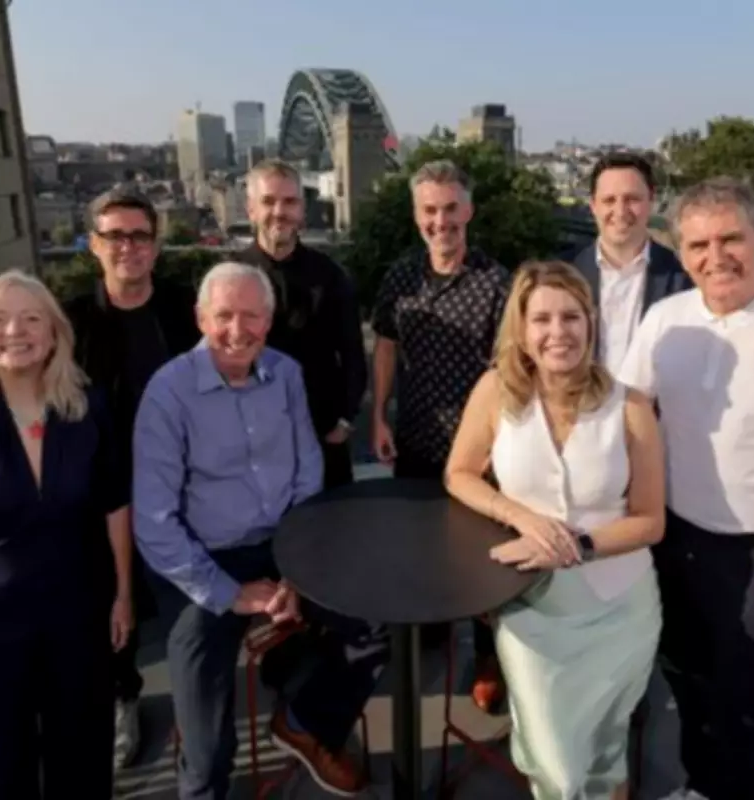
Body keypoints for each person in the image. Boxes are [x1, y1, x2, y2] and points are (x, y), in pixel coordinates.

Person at [132, 262, 388, 800]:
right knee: (206, 737)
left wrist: (297, 568)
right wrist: (232, 594)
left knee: (374, 621)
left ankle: (304, 723)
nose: (238, 329)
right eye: (224, 315)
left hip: (283, 542)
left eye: (252, 316)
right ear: (201, 318)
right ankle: (204, 783)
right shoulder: (168, 391)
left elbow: (307, 471)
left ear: (268, 322)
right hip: (206, 558)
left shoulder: (285, 373)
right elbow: (154, 523)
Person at [446, 260, 665, 800]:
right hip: (530, 608)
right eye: (541, 319)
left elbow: (650, 520)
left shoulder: (632, 406)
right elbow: (459, 473)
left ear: (591, 323)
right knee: (558, 769)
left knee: (607, 744)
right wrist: (520, 517)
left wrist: (577, 546)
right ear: (521, 330)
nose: (557, 332)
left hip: (620, 610)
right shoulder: (495, 391)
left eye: (571, 317)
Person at [618, 177, 754, 800]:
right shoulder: (666, 320)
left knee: (745, 704)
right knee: (687, 679)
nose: (715, 257)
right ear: (682, 252)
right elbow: (629, 413)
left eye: (730, 239)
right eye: (698, 245)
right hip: (674, 537)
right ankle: (698, 786)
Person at [66, 185, 200, 769]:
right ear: (94, 244)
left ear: (156, 245)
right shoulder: (71, 320)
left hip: (179, 486)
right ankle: (124, 698)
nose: (128, 246)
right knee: (108, 604)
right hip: (99, 492)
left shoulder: (182, 308)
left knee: (184, 604)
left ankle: (196, 707)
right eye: (114, 236)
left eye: (140, 235)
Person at [371, 158, 510, 712]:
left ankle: (488, 656)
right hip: (416, 438)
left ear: (469, 210)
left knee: (482, 556)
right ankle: (428, 626)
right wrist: (379, 414)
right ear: (416, 215)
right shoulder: (401, 275)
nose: (440, 221)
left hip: (479, 453)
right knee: (421, 545)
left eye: (451, 208)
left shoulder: (496, 283)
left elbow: (509, 370)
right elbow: (386, 343)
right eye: (430, 210)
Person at [0, 270, 132, 799]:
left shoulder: (86, 406)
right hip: (1, 618)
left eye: (31, 318)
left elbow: (114, 502)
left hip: (79, 607)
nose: (15, 331)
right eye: (0, 319)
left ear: (54, 332)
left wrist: (123, 594)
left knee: (82, 749)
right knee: (5, 759)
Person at [237, 159, 367, 488]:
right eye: (268, 201)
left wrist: (345, 420)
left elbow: (353, 353)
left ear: (302, 211)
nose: (279, 211)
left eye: (290, 202)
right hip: (251, 442)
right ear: (251, 210)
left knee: (330, 520)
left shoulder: (330, 276)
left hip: (322, 437)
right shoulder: (230, 278)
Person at [567, 152, 691, 375]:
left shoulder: (683, 278)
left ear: (651, 201)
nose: (620, 211)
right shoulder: (566, 275)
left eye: (632, 199)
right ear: (593, 205)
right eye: (609, 200)